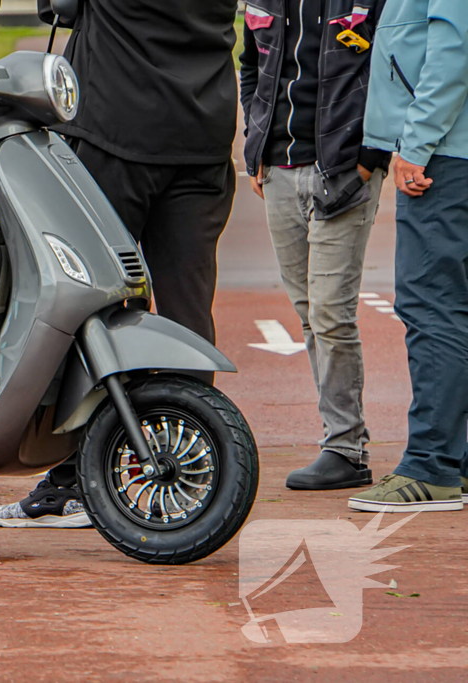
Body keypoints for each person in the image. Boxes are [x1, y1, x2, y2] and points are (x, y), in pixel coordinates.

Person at [0, 0, 238, 528]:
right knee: (188, 307)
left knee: (92, 303)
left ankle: (78, 479)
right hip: (203, 134)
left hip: (116, 130)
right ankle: (192, 467)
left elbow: (57, 7)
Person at [239, 0, 390, 491]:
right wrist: (254, 142)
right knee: (309, 312)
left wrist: (370, 160)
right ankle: (344, 436)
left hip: (345, 170)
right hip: (279, 171)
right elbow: (251, 66)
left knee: (330, 312)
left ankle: (346, 448)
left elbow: (392, 65)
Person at [349, 0, 468, 512]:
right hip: (452, 148)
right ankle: (455, 461)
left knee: (432, 305)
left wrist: (416, 141)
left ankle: (431, 464)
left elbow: (452, 49)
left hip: (444, 153)